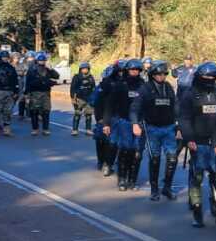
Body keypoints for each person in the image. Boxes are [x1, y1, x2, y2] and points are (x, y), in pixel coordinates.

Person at [177, 61, 216, 227]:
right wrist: (189, 138)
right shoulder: (190, 94)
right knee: (197, 176)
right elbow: (184, 119)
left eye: (212, 77)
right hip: (197, 142)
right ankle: (197, 212)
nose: (209, 79)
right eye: (206, 76)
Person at [133, 60, 180, 201]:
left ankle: (167, 187)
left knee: (172, 158)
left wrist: (179, 125)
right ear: (153, 74)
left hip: (168, 128)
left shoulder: (169, 87)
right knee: (155, 159)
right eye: (158, 74)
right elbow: (135, 107)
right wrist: (135, 123)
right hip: (152, 128)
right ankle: (154, 189)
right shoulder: (145, 89)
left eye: (164, 74)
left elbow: (176, 106)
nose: (161, 76)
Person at [103, 59, 145, 190]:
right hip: (124, 122)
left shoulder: (143, 85)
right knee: (126, 150)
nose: (135, 72)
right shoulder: (120, 85)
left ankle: (132, 180)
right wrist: (106, 123)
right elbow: (109, 104)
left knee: (137, 152)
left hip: (140, 122)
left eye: (137, 70)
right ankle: (122, 179)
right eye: (132, 69)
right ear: (127, 70)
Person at [23, 51, 60, 136]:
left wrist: (51, 69)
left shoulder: (47, 69)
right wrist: (27, 95)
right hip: (35, 93)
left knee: (46, 111)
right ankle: (35, 128)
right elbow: (28, 83)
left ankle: (45, 129)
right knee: (34, 111)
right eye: (40, 60)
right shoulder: (32, 70)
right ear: (37, 61)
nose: (42, 62)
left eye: (43, 60)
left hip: (46, 93)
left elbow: (57, 76)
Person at [0, 51, 20, 137]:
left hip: (9, 91)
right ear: (0, 57)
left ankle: (7, 129)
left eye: (6, 57)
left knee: (8, 110)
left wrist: (16, 91)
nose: (5, 58)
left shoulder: (11, 68)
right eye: (3, 57)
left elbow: (15, 80)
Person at [69, 61, 96, 136]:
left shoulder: (91, 77)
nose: (85, 70)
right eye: (83, 69)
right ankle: (74, 130)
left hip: (88, 98)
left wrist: (94, 97)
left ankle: (88, 129)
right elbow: (72, 88)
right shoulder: (77, 77)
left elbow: (94, 87)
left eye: (86, 69)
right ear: (80, 69)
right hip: (79, 98)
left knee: (88, 114)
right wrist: (72, 98)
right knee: (77, 114)